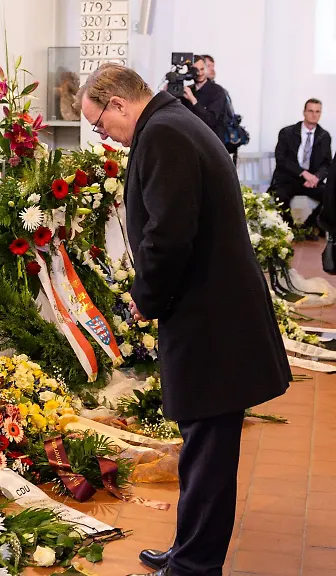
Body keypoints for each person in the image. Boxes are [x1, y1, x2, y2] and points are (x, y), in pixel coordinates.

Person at [78, 64, 291, 576]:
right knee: (203, 448)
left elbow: (170, 236)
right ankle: (189, 550)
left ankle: (196, 565)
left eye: (100, 124)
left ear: (117, 103)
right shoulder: (172, 123)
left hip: (211, 322)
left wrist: (145, 298)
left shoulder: (164, 134)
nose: (104, 135)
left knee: (210, 452)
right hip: (214, 315)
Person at [270, 99, 331, 234]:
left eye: (317, 111)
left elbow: (327, 163)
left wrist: (316, 177)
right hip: (289, 178)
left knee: (331, 195)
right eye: (310, 111)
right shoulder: (287, 132)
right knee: (279, 196)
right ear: (304, 112)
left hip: (311, 181)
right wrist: (303, 173)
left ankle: (309, 226)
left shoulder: (324, 136)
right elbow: (281, 159)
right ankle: (288, 229)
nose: (314, 115)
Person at [178, 55, 228, 144]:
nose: (200, 73)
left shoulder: (217, 91)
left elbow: (211, 121)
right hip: (192, 142)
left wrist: (193, 100)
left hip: (212, 144)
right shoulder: (187, 91)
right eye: (196, 70)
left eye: (202, 69)